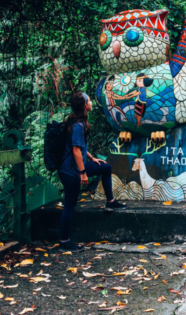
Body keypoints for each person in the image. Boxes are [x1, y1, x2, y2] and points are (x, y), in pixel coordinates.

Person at [58, 91, 126, 252]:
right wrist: (83, 172)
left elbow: (80, 148)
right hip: (70, 171)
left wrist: (92, 158)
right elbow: (75, 150)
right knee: (69, 206)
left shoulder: (79, 122)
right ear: (84, 105)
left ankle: (110, 201)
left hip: (76, 166)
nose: (91, 102)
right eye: (89, 100)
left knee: (105, 167)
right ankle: (64, 241)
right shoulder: (77, 126)